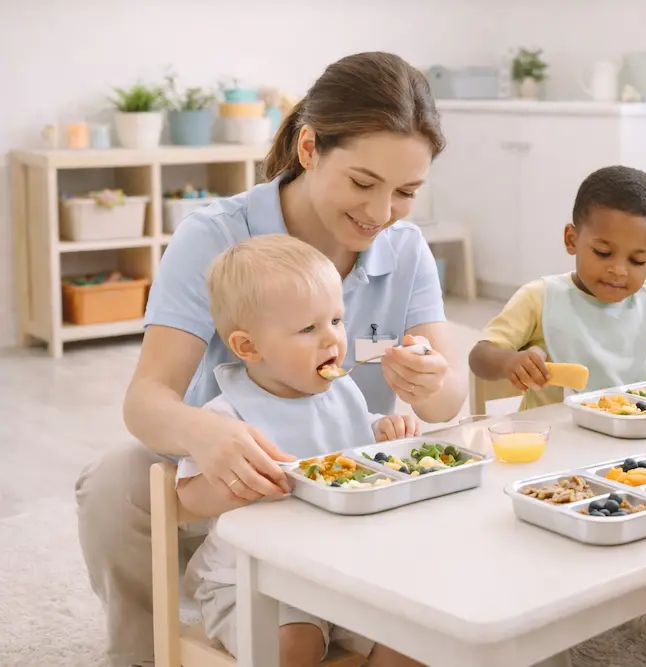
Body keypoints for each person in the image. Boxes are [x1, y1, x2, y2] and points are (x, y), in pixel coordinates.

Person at [75, 52, 466, 667]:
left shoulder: (405, 249)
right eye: (363, 183)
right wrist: (206, 434)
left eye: (406, 192)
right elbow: (146, 398)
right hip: (226, 485)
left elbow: (447, 403)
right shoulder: (214, 236)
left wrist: (430, 380)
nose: (381, 212)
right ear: (309, 148)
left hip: (344, 491)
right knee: (117, 480)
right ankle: (146, 650)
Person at [179, 234, 422, 667]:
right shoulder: (227, 418)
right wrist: (246, 481)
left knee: (420, 639)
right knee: (294, 646)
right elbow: (189, 497)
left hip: (346, 572)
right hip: (253, 582)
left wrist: (383, 429)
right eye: (309, 329)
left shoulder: (342, 390)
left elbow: (353, 433)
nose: (332, 340)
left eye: (336, 320)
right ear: (248, 347)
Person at [468, 165, 646, 410]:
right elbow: (480, 356)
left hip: (631, 428)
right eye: (603, 252)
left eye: (637, 260)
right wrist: (509, 362)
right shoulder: (540, 298)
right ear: (571, 239)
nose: (619, 270)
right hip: (558, 433)